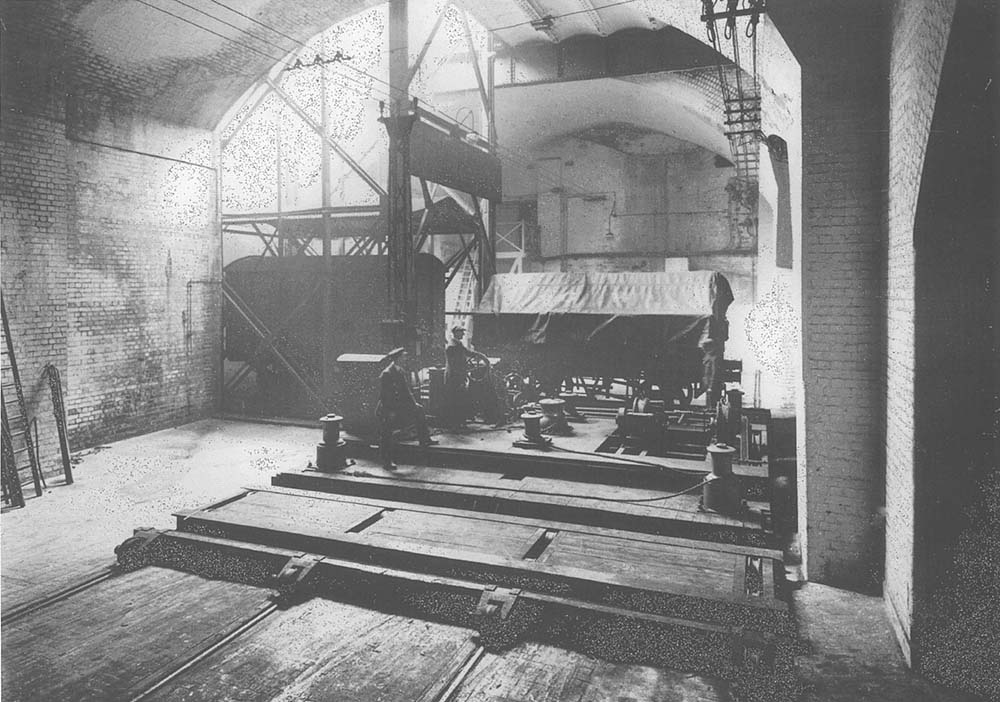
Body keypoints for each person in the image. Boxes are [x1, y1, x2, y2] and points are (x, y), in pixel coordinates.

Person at [377, 347, 437, 469]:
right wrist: (390, 412)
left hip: (399, 405)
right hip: (387, 408)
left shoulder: (399, 371)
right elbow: (384, 396)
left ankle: (424, 439)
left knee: (419, 410)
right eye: (404, 357)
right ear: (398, 358)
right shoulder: (387, 374)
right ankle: (387, 462)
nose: (406, 358)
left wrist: (414, 404)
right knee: (387, 433)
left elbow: (406, 391)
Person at [442, 326, 490, 425]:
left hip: (456, 376)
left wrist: (481, 356)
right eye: (461, 332)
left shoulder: (456, 344)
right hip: (455, 377)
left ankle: (458, 423)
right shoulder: (454, 346)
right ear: (456, 333)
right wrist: (482, 357)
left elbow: (468, 354)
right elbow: (456, 364)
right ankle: (456, 424)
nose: (463, 334)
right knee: (457, 400)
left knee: (458, 399)